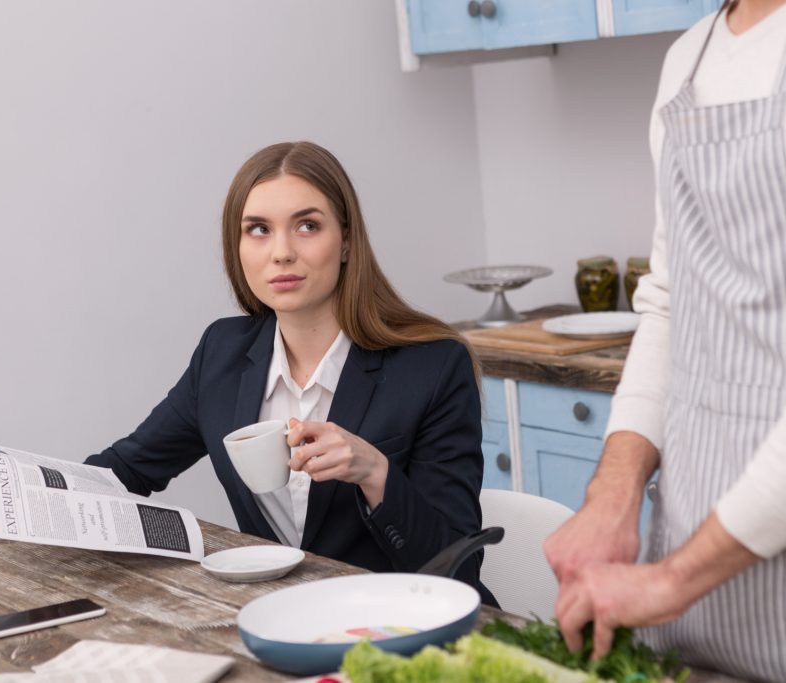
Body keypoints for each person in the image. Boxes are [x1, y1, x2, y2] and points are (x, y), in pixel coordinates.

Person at [544, 0, 786, 681]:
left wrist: (671, 580)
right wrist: (614, 492)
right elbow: (668, 306)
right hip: (691, 577)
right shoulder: (689, 58)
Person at [87, 141, 494, 603]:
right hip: (283, 621)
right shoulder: (221, 352)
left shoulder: (434, 364)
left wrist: (375, 472)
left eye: (307, 226)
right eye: (258, 229)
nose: (281, 252)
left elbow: (458, 569)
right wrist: (32, 489)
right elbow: (126, 470)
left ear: (345, 241)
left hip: (408, 626)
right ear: (236, 247)